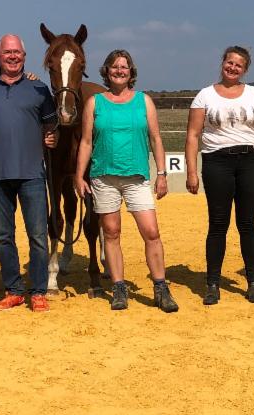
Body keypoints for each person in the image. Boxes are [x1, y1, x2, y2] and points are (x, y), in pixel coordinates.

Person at [74, 49, 179, 313]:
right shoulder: (95, 103)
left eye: (124, 67)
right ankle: (119, 287)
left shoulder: (144, 101)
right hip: (103, 177)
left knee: (151, 232)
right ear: (107, 71)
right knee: (111, 233)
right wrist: (79, 175)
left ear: (131, 72)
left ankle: (160, 286)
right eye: (114, 66)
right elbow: (86, 142)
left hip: (137, 177)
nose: (119, 71)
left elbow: (156, 138)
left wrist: (162, 174)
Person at [0, 34, 58, 313]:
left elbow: (52, 128)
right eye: (7, 52)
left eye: (17, 52)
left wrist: (53, 137)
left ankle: (38, 291)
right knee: (4, 237)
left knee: (38, 237)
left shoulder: (39, 89)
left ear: (24, 56)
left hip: (32, 175)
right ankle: (14, 290)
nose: (13, 56)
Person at [185, 46, 254, 305]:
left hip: (248, 162)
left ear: (244, 69)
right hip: (216, 162)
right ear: (222, 63)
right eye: (230, 62)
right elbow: (193, 135)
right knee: (217, 224)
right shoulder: (204, 96)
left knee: (248, 224)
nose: (233, 68)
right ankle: (212, 283)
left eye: (239, 65)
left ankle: (253, 283)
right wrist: (192, 172)